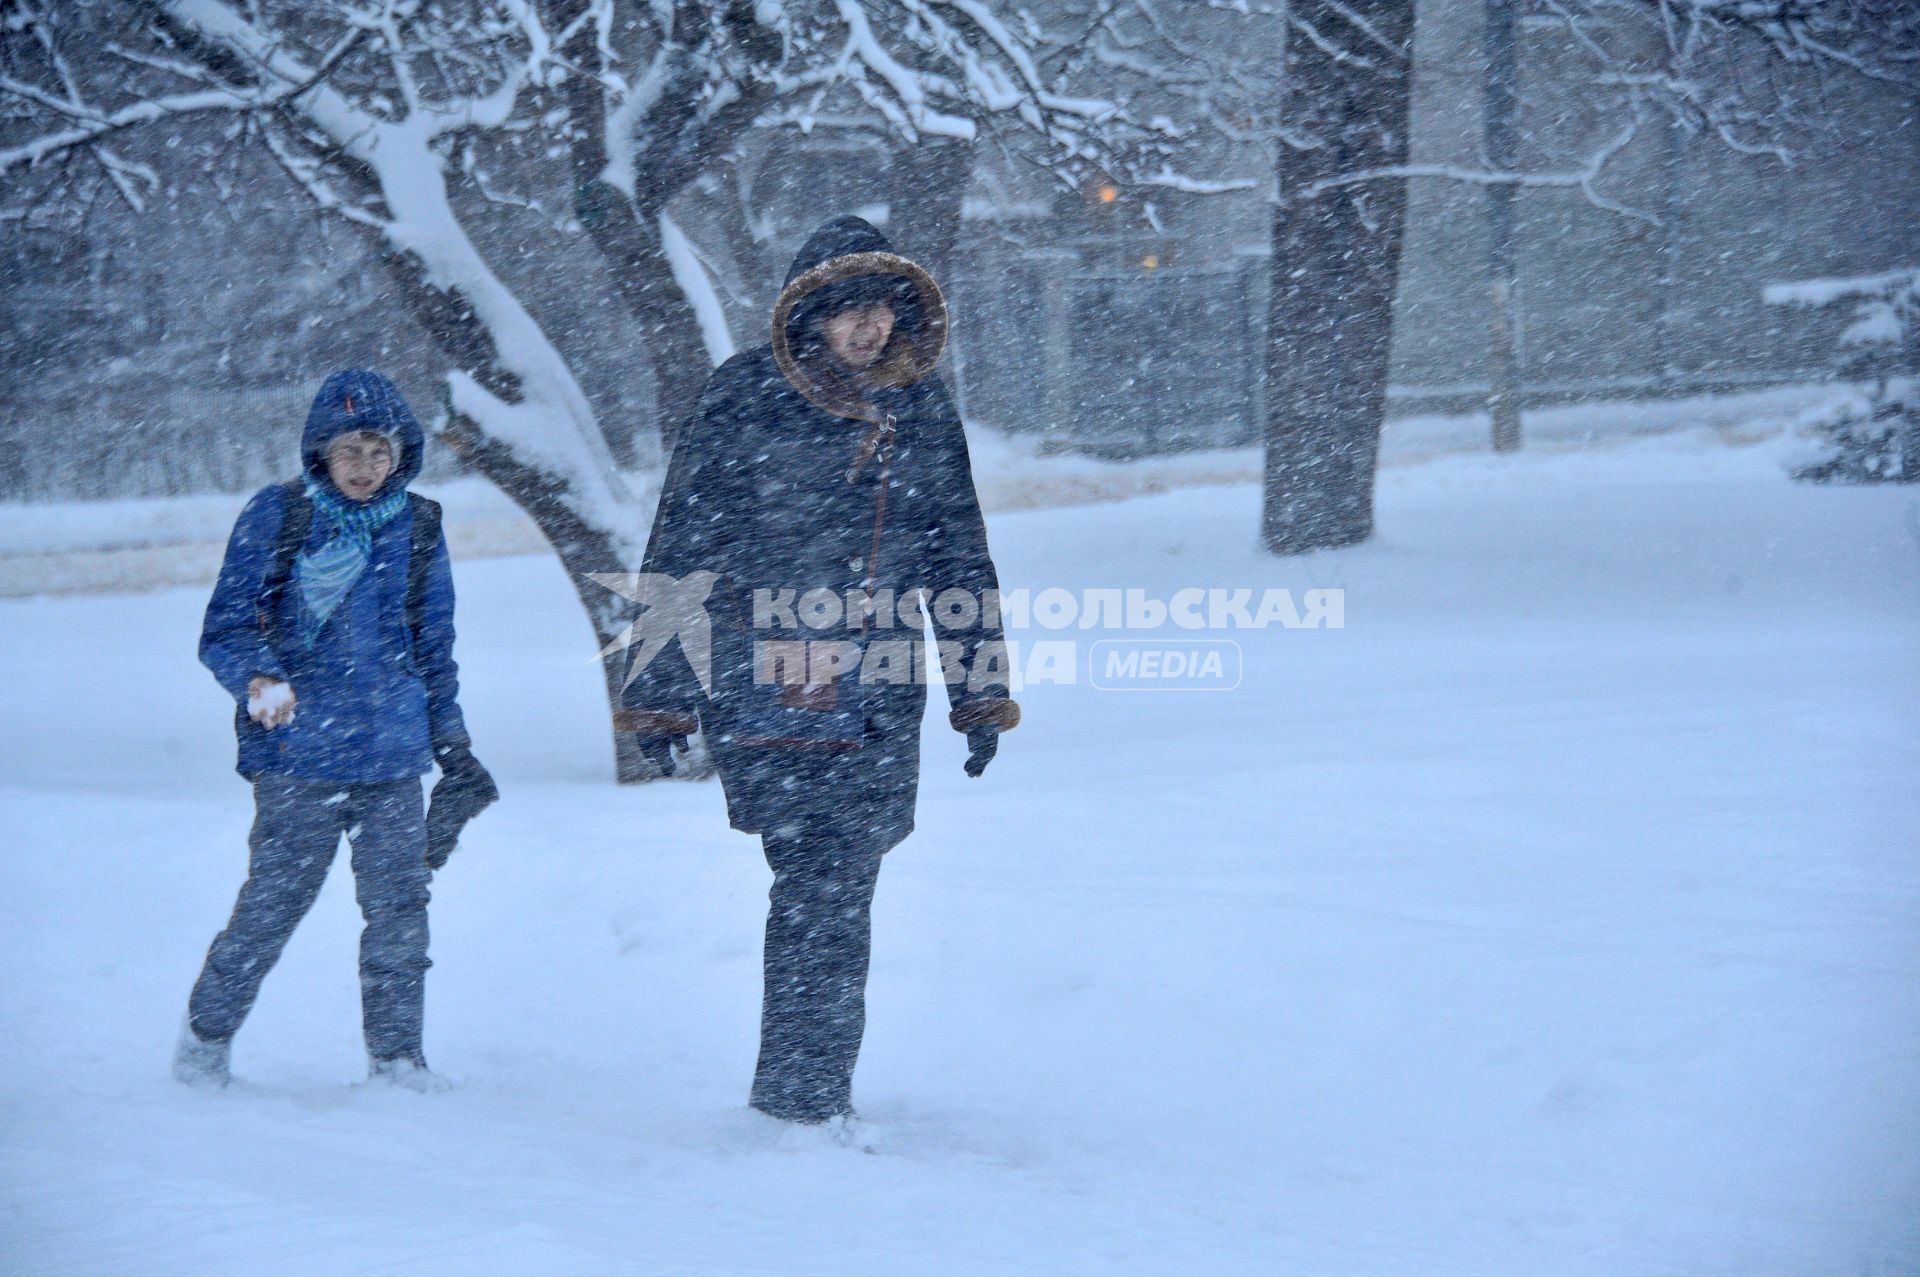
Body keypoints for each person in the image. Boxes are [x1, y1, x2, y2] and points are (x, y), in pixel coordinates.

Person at [620, 215, 1020, 1128]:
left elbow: (957, 552)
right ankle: (803, 1102)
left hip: (880, 688)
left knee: (842, 881)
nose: (868, 327)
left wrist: (979, 690)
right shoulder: (742, 398)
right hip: (774, 678)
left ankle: (799, 1095)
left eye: (881, 308)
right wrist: (660, 698)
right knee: (820, 879)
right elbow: (683, 547)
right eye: (848, 311)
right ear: (810, 314)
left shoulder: (921, 405)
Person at [172, 369, 495, 1091]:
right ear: (321, 453)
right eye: (351, 450)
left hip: (393, 757)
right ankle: (204, 1039)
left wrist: (453, 743)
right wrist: (259, 678)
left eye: (380, 451)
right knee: (272, 907)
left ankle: (397, 1059)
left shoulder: (419, 524)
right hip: (298, 754)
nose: (366, 466)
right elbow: (224, 627)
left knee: (400, 917)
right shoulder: (278, 516)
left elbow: (433, 644)